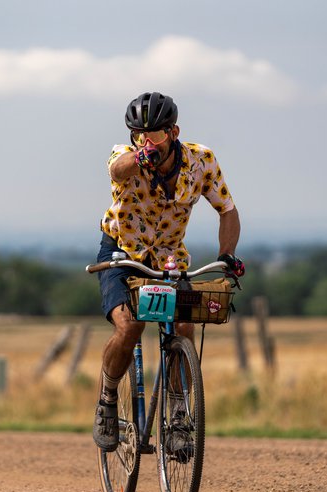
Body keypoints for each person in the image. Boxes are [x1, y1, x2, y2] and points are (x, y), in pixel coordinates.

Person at [93, 91, 244, 452]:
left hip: (169, 259)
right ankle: (108, 399)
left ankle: (178, 416)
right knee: (130, 325)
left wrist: (227, 254)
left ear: (173, 132)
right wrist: (139, 155)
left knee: (184, 325)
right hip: (122, 253)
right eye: (139, 135)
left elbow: (227, 209)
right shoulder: (124, 156)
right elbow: (118, 168)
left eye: (156, 135)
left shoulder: (202, 161)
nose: (148, 142)